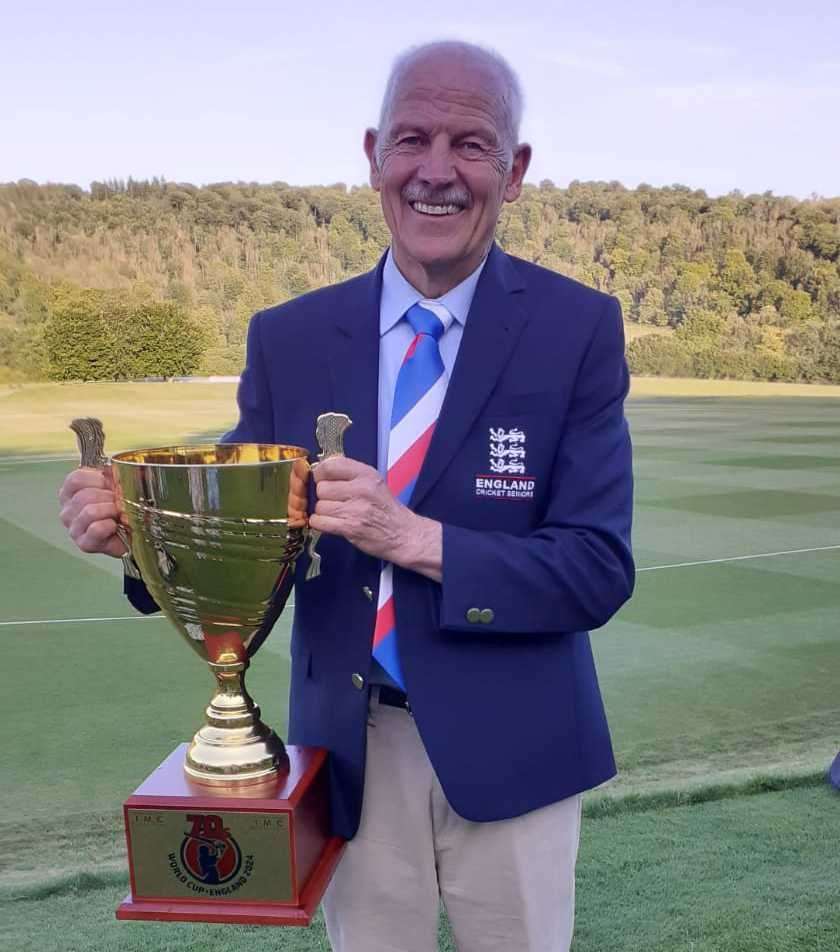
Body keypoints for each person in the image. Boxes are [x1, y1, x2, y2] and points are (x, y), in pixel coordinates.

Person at [58, 40, 634, 952]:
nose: (436, 172)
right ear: (374, 156)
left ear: (515, 170)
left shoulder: (578, 329)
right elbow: (244, 535)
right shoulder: (288, 338)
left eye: (471, 144)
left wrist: (414, 536)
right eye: (412, 139)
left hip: (517, 753)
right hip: (349, 756)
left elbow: (597, 570)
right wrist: (142, 539)